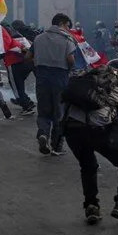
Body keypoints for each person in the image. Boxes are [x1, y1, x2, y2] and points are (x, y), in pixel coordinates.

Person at [63, 58, 118, 225]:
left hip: (71, 129)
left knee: (88, 166)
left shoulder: (90, 82)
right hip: (97, 132)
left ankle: (91, 206)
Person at [29, 13, 78, 155]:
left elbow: (27, 57)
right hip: (60, 78)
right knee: (59, 113)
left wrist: (38, 65)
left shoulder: (38, 38)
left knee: (44, 110)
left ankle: (43, 134)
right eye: (68, 26)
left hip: (42, 78)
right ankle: (56, 146)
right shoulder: (67, 39)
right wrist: (70, 69)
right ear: (62, 23)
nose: (68, 29)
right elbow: (70, 59)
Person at [5, 23, 35, 114]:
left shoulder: (6, 37)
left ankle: (25, 105)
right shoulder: (21, 36)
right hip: (28, 63)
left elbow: (5, 48)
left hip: (14, 63)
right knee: (19, 84)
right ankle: (24, 99)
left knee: (16, 86)